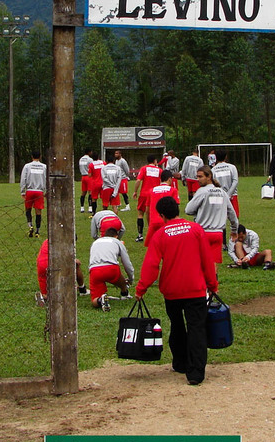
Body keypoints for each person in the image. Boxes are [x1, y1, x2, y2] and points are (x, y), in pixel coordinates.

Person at [135, 197, 218, 386]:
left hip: (172, 290)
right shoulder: (196, 229)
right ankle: (196, 372)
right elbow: (207, 260)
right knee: (197, 328)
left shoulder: (160, 234)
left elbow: (151, 265)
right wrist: (212, 284)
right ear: (178, 209)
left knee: (177, 325)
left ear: (162, 215)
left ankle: (180, 363)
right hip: (195, 289)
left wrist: (141, 288)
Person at [184, 165, 238, 265]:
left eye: (200, 177)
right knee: (213, 263)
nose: (198, 179)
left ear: (209, 177)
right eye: (197, 177)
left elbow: (188, 210)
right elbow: (232, 213)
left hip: (203, 232)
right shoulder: (222, 192)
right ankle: (214, 280)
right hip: (218, 234)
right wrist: (234, 230)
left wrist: (199, 211)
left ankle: (203, 281)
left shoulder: (202, 192)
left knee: (201, 263)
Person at [87, 226, 135, 311]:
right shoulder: (117, 242)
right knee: (119, 278)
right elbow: (127, 263)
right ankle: (124, 292)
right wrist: (131, 279)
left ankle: (100, 300)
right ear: (116, 236)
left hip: (95, 270)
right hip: (111, 268)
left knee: (94, 299)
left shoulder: (95, 242)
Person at [35, 238, 85, 306]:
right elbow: (66, 258)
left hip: (41, 264)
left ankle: (43, 297)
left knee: (45, 292)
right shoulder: (64, 242)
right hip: (54, 264)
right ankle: (82, 289)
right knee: (76, 265)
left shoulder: (47, 240)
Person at [144, 169, 179, 246]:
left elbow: (147, 210)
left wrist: (149, 223)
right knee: (169, 246)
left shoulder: (151, 190)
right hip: (167, 222)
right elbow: (175, 209)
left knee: (153, 247)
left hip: (153, 222)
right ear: (170, 179)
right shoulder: (173, 190)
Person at [132, 154, 163, 242]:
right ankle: (154, 233)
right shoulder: (159, 170)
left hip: (144, 194)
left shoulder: (144, 169)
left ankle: (140, 235)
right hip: (155, 194)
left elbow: (138, 180)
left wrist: (135, 191)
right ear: (155, 161)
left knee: (140, 214)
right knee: (154, 214)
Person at [19, 150, 47, 238]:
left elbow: (23, 179)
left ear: (32, 156)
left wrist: (22, 191)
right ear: (40, 156)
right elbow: (46, 179)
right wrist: (46, 191)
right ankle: (37, 231)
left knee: (28, 209)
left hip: (30, 190)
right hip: (39, 191)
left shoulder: (27, 166)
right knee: (38, 211)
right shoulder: (44, 167)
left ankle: (30, 226)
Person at [212, 151, 240, 218]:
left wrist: (223, 194)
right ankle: (235, 228)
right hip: (232, 195)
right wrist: (229, 194)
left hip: (219, 195)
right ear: (226, 157)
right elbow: (235, 181)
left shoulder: (213, 170)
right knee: (235, 217)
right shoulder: (232, 167)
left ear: (216, 158)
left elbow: (213, 184)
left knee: (220, 217)